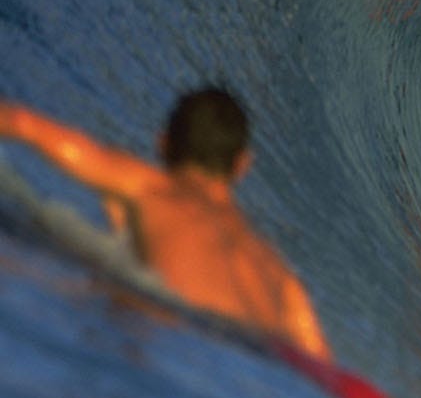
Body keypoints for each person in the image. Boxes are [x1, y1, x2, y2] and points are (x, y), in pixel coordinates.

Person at [0, 89, 330, 359]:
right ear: (242, 165)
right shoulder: (278, 273)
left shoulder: (148, 187)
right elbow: (321, 366)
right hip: (252, 362)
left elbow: (25, 123)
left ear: (163, 142)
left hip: (178, 334)